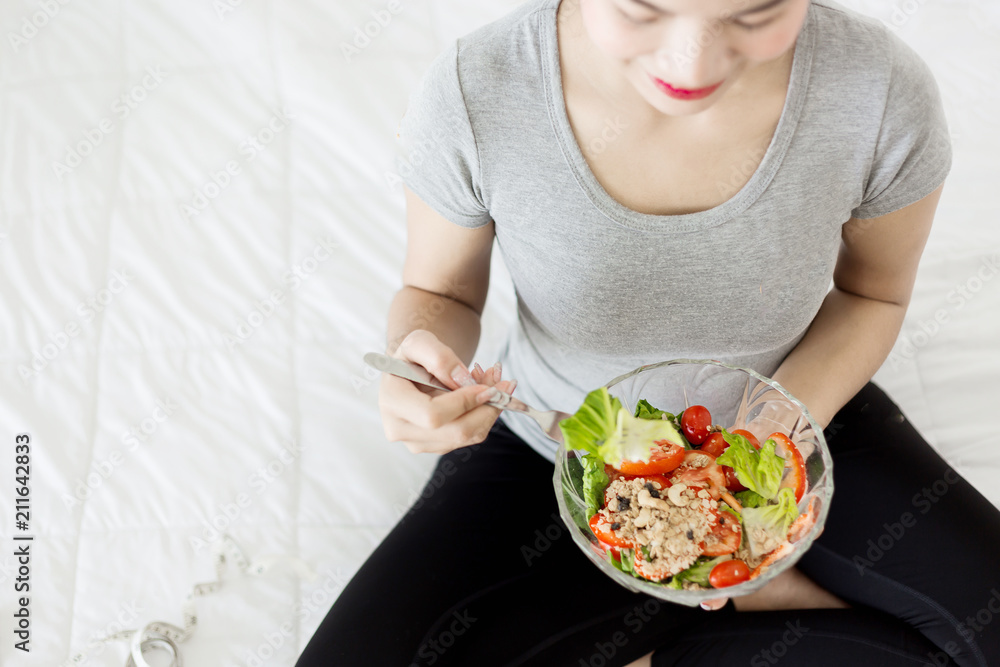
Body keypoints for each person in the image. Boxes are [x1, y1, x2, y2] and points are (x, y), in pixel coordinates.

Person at [296, 0, 1000, 664]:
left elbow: (872, 294)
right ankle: (716, 615)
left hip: (802, 419)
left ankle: (700, 611)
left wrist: (769, 432)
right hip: (550, 442)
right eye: (643, 8)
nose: (693, 65)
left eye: (753, 12)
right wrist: (417, 364)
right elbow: (439, 293)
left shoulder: (879, 91)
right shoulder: (477, 90)